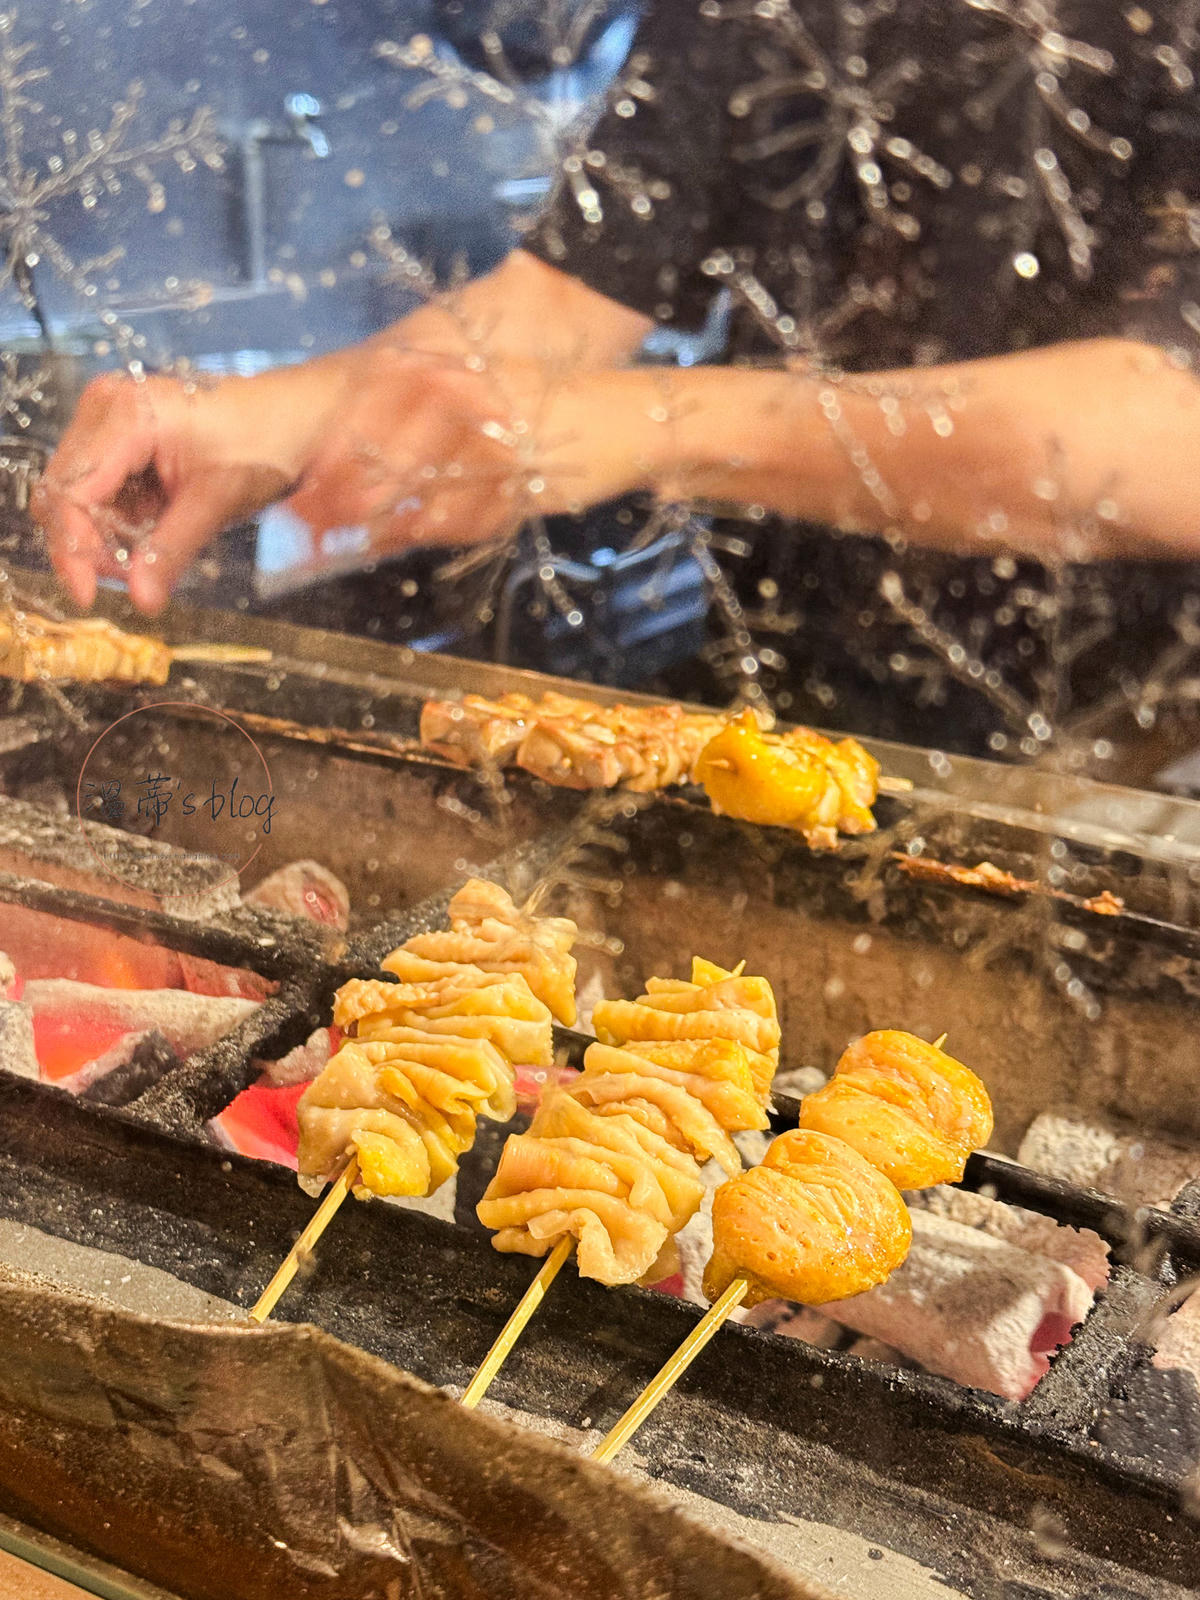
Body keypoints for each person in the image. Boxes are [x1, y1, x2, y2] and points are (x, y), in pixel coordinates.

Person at [36, 0, 1200, 622]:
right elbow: (558, 303)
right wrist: (253, 419)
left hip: (1122, 798)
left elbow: (1172, 439)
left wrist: (656, 421)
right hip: (791, 710)